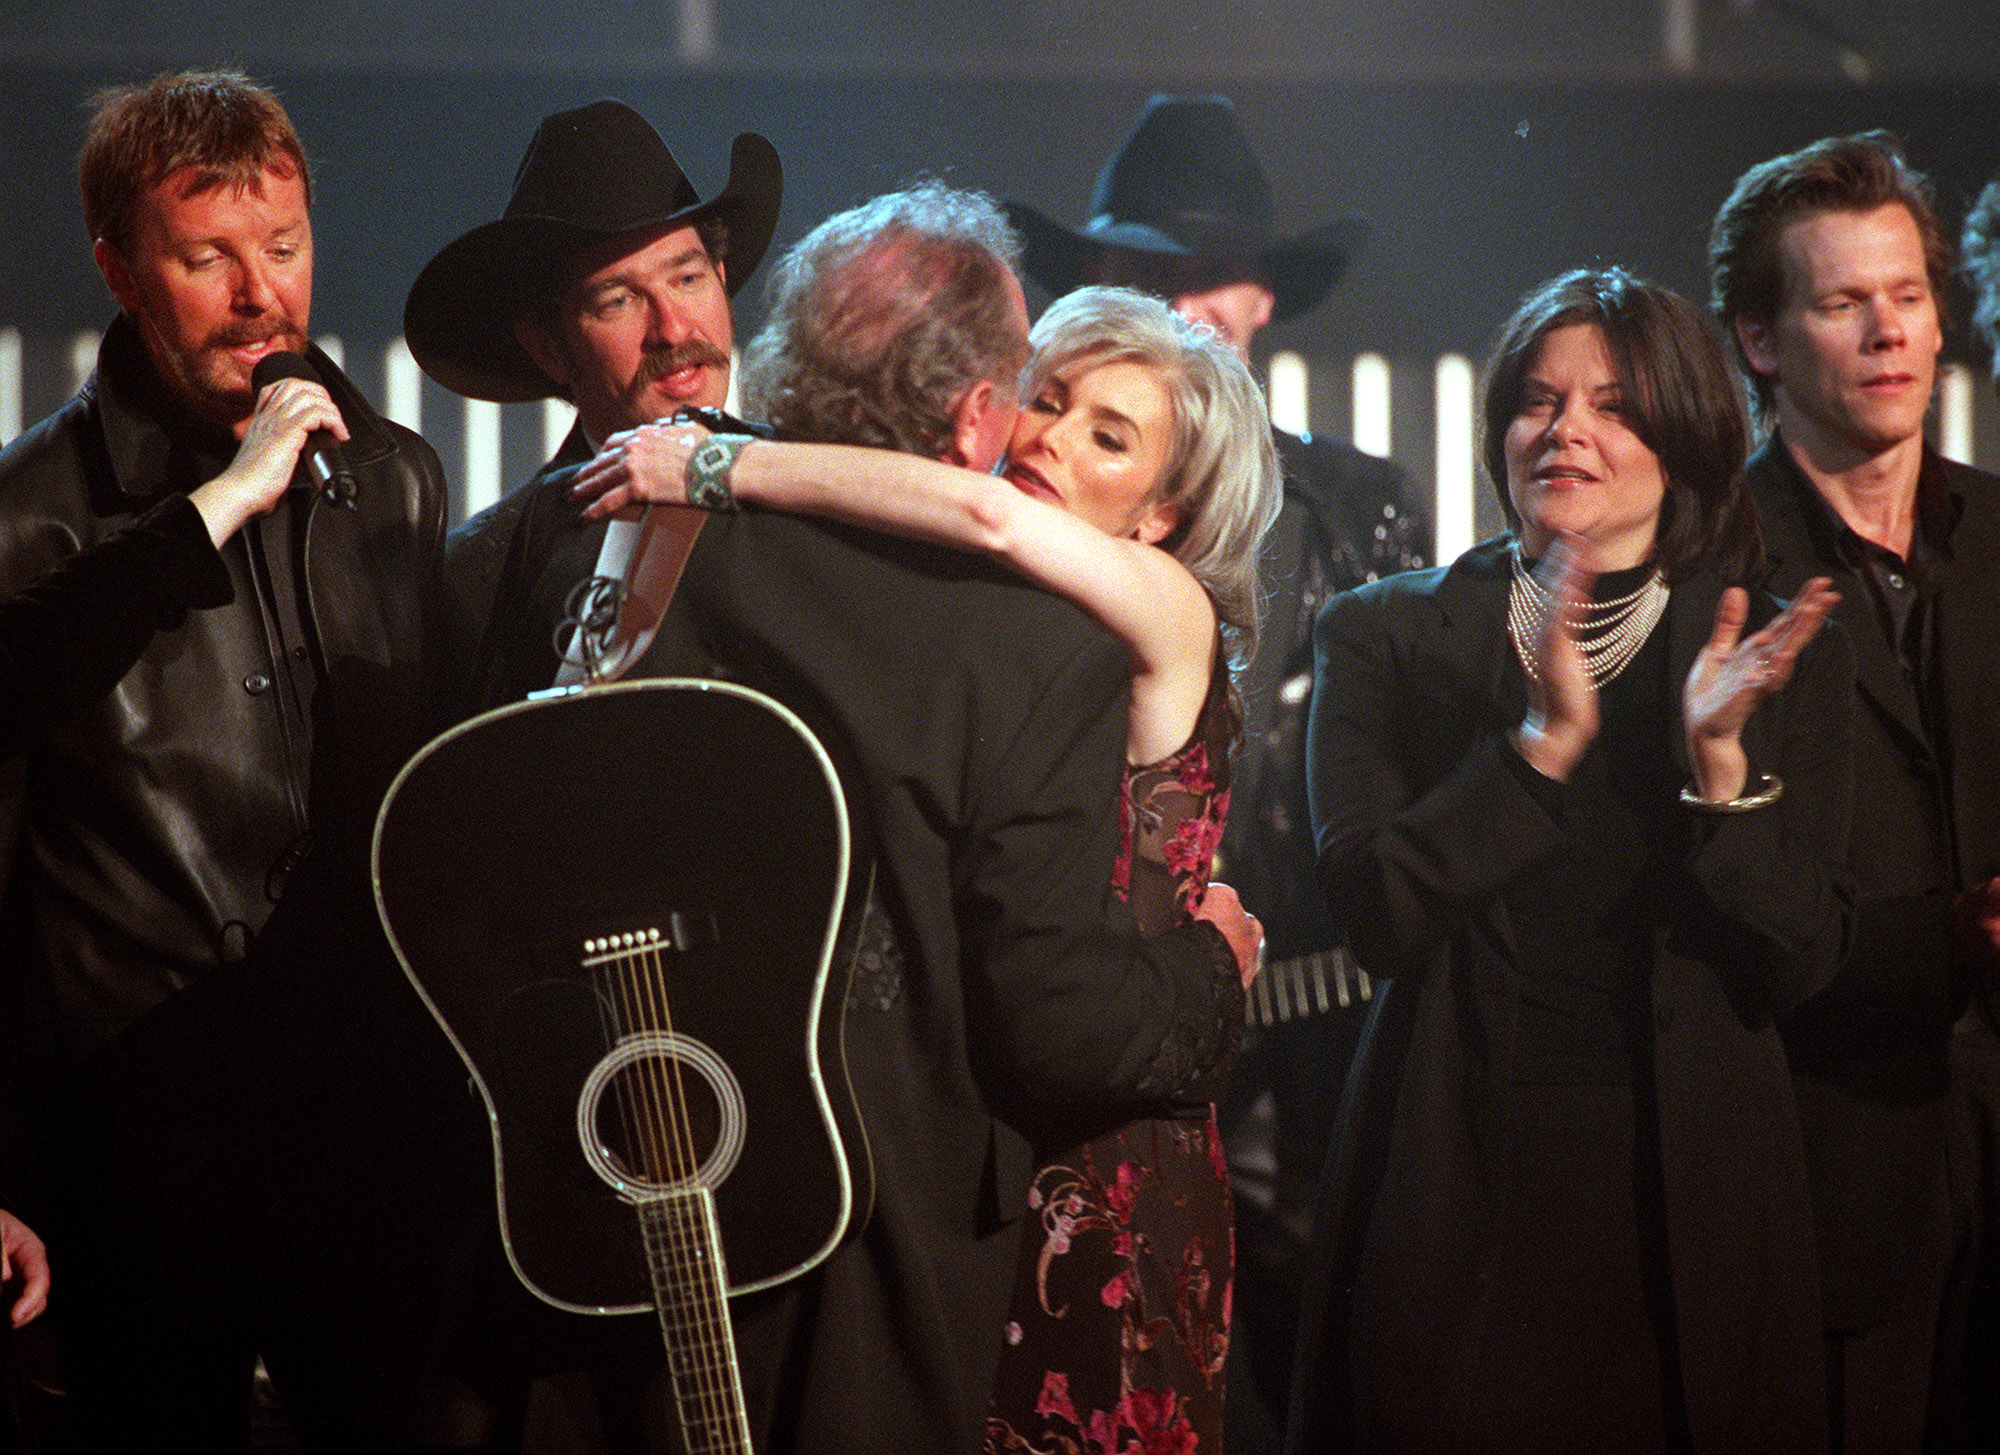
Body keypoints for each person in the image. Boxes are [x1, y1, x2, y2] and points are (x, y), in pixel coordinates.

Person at [548, 181, 1258, 1454]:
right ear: (986, 404)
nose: (1045, 442)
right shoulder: (1013, 635)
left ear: (1162, 516)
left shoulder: (1151, 611)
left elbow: (981, 510)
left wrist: (720, 457)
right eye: (1044, 399)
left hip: (1102, 1142)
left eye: (1109, 437)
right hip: (958, 1169)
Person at [1288, 267, 1853, 1455]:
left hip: (1688, 1186)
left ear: (1685, 438)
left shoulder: (1757, 644)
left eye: (1613, 406)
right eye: (1537, 402)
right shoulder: (1386, 633)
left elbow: (1805, 957)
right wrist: (1539, 749)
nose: (1566, 432)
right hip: (1452, 1174)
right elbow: (1375, 910)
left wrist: (1717, 766)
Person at [0, 70, 465, 1448]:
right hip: (135, 1143)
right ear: (122, 269)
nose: (263, 296)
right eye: (210, 258)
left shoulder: (393, 475)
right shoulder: (33, 510)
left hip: (358, 1128)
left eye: (285, 245)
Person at [1005, 96, 1428, 1444]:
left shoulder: (1360, 500)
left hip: (1308, 1014)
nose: (1192, 303)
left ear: (1260, 292)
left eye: (1212, 276)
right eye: (1154, 275)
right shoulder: (1028, 484)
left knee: (1320, 1342)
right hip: (1099, 999)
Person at [1711, 132, 2000, 1452]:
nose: (1890, 332)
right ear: (1762, 343)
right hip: (1825, 1178)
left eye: (1909, 295)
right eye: (1843, 302)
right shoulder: (1709, 568)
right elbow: (1721, 905)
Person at [404, 99, 780, 718]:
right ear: (548, 348)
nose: (672, 327)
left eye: (686, 280)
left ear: (721, 275)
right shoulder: (479, 580)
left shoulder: (823, 490)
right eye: (618, 301)